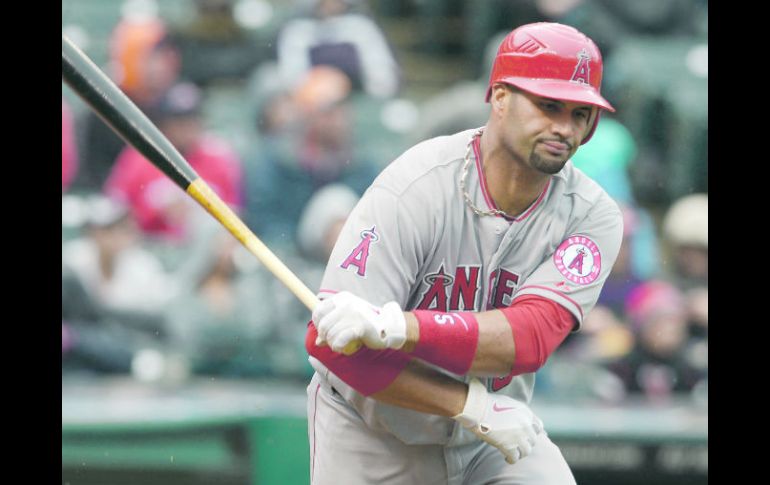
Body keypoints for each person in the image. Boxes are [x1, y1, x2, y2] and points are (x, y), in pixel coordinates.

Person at [304, 22, 623, 484]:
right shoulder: (414, 186)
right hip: (373, 432)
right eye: (548, 105)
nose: (564, 128)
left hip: (493, 437)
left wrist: (398, 326)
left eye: (580, 113)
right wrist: (467, 404)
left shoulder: (591, 214)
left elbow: (530, 337)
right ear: (499, 97)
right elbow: (330, 347)